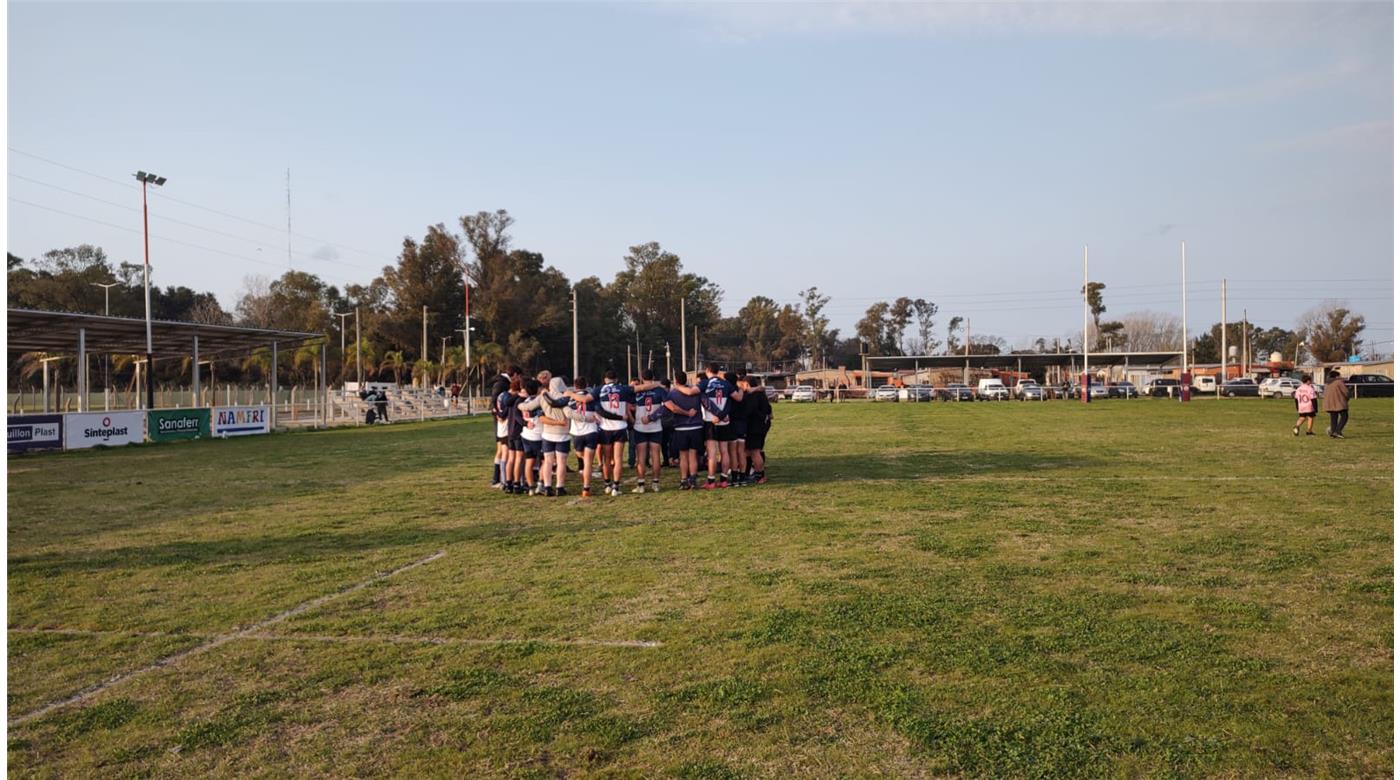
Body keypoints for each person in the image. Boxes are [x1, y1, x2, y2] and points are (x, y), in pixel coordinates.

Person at [699, 363, 742, 489]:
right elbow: (738, 398)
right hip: (724, 421)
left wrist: (716, 414)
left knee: (712, 452)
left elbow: (700, 397)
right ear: (718, 371)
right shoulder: (726, 384)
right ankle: (724, 480)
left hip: (710, 421)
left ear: (707, 370)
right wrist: (740, 388)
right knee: (724, 451)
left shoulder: (705, 383)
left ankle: (711, 481)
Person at [592, 370, 633, 496]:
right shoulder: (623, 389)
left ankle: (607, 484)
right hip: (620, 427)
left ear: (605, 380)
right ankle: (616, 486)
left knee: (607, 459)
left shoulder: (599, 389)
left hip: (606, 428)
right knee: (618, 459)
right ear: (616, 379)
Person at [665, 371, 703, 490]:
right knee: (693, 455)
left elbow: (673, 409)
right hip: (696, 426)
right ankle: (692, 479)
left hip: (681, 427)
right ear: (686, 380)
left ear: (676, 380)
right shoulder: (695, 391)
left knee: (683, 455)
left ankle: (683, 480)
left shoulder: (673, 393)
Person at [631, 370, 667, 493]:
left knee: (641, 456)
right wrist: (653, 417)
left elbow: (629, 405)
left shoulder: (637, 389)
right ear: (653, 377)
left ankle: (641, 485)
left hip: (640, 427)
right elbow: (666, 406)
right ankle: (655, 483)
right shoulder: (660, 390)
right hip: (655, 427)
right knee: (656, 455)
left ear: (641, 378)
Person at [565, 375, 600, 498]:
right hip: (591, 432)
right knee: (588, 462)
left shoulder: (570, 399)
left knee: (582, 458)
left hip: (577, 433)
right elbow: (598, 411)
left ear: (575, 386)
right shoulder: (591, 397)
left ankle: (585, 484)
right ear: (587, 384)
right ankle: (586, 488)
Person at [539, 377, 573, 496]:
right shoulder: (565, 398)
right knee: (561, 462)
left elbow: (534, 409)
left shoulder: (543, 397)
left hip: (547, 433)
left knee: (547, 461)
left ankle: (547, 487)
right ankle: (560, 487)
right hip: (562, 433)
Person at [489, 366, 521, 488]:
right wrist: (498, 414)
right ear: (515, 375)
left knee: (502, 450)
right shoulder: (501, 384)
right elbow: (494, 400)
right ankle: (498, 479)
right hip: (502, 421)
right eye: (518, 376)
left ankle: (500, 479)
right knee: (502, 450)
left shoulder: (502, 382)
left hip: (501, 420)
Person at [737, 375, 772, 483]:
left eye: (743, 385)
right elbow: (768, 409)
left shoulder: (751, 396)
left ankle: (760, 476)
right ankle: (748, 474)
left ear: (747, 384)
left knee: (754, 452)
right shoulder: (762, 394)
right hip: (761, 426)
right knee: (748, 451)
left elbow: (748, 411)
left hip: (753, 427)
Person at [517, 378, 545, 495]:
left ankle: (531, 487)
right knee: (544, 461)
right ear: (538, 389)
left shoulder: (526, 401)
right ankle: (540, 484)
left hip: (526, 435)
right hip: (538, 435)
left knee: (529, 461)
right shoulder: (540, 402)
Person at [501, 377, 526, 493]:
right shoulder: (520, 400)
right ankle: (517, 483)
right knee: (519, 458)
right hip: (518, 431)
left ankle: (508, 483)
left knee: (511, 458)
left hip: (510, 431)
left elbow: (504, 413)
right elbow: (518, 416)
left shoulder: (510, 400)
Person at [1323, 370, 1350, 438]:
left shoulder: (1327, 383)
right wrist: (1347, 398)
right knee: (1344, 416)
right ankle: (1337, 431)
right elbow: (1346, 392)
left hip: (1329, 403)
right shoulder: (1339, 382)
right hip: (1338, 402)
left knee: (1333, 418)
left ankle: (1333, 432)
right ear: (1337, 376)